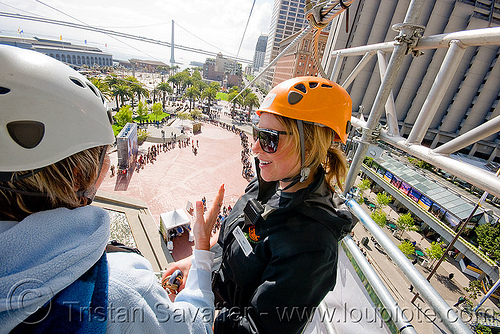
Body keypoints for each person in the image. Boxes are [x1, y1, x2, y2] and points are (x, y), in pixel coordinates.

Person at [0, 45, 224, 333]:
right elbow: (197, 326)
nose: (108, 166)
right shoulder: (118, 288)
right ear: (79, 177)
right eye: (103, 156)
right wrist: (202, 255)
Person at [165, 76, 353, 333]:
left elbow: (257, 329)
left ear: (308, 146)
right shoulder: (267, 184)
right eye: (257, 133)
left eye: (269, 138)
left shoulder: (312, 245)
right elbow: (230, 242)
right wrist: (198, 263)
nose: (254, 147)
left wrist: (197, 308)